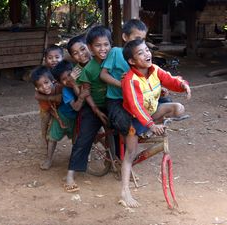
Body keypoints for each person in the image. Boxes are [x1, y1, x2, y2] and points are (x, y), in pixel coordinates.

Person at [120, 38, 191, 207]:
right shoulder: (130, 80)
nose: (147, 54)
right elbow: (136, 106)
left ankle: (150, 129)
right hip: (134, 119)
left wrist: (183, 85)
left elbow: (170, 79)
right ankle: (124, 192)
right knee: (130, 155)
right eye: (140, 53)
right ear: (131, 61)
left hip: (152, 112)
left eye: (147, 50)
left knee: (178, 108)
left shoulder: (154, 70)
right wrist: (151, 125)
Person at [64, 25, 112, 192]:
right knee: (84, 138)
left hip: (111, 102)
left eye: (82, 49)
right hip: (90, 106)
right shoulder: (77, 71)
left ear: (89, 47)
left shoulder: (107, 59)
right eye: (75, 53)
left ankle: (115, 161)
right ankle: (70, 174)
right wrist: (72, 83)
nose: (81, 54)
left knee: (121, 131)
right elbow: (81, 94)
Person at [100, 19, 148, 137]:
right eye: (137, 39)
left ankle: (142, 129)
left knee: (167, 104)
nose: (139, 43)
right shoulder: (116, 52)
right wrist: (122, 84)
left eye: (142, 40)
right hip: (117, 99)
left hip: (136, 98)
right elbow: (103, 75)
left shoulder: (143, 56)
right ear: (125, 37)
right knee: (124, 125)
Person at [40, 60, 89, 170]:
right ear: (60, 83)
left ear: (75, 72)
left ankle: (76, 158)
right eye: (64, 79)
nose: (68, 80)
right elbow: (76, 107)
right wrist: (81, 97)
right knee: (53, 138)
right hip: (63, 117)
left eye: (69, 75)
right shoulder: (66, 91)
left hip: (76, 119)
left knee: (76, 140)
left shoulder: (83, 83)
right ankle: (49, 159)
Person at [34, 45, 64, 149]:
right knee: (45, 119)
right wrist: (50, 99)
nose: (54, 60)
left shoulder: (65, 70)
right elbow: (36, 94)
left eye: (57, 57)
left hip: (61, 103)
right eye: (50, 58)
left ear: (62, 58)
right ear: (45, 59)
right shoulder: (44, 72)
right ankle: (44, 137)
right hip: (46, 105)